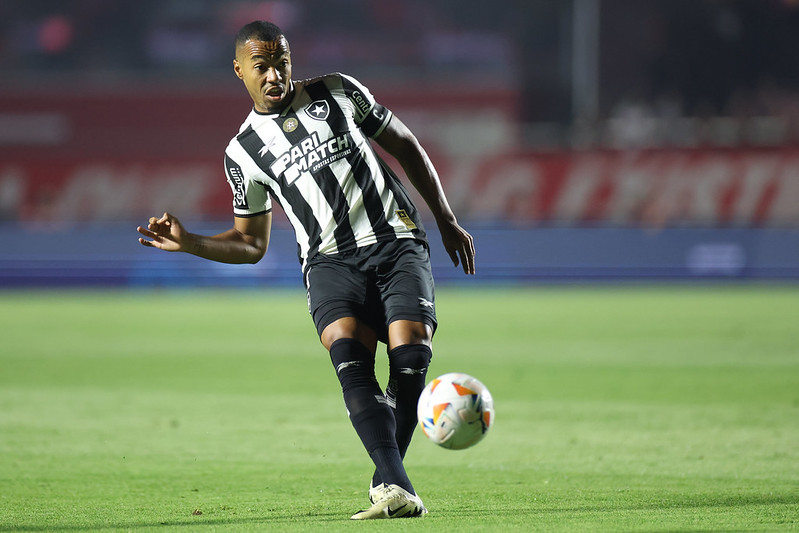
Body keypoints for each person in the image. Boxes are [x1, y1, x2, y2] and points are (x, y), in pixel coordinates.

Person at [137, 20, 475, 520]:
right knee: (348, 353)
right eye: (262, 66)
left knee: (411, 355)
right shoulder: (242, 153)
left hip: (396, 241)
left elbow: (404, 143)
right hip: (329, 262)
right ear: (239, 71)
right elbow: (251, 243)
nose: (274, 75)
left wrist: (445, 218)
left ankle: (388, 480)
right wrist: (190, 242)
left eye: (281, 63)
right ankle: (396, 487)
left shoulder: (338, 91)